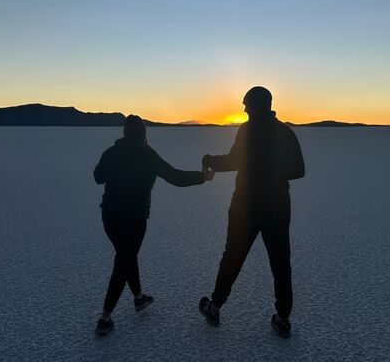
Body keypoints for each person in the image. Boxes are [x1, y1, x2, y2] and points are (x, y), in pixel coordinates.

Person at [199, 86, 305, 338]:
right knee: (280, 262)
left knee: (233, 256)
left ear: (255, 106)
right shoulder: (285, 132)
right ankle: (283, 318)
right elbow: (298, 169)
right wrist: (276, 172)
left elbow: (234, 161)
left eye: (246, 104)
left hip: (246, 207)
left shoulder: (247, 130)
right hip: (278, 207)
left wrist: (210, 159)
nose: (244, 109)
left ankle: (214, 307)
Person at [93, 114, 213, 335]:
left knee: (126, 255)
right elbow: (175, 177)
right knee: (124, 260)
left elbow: (98, 177)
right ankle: (105, 318)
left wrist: (109, 163)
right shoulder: (147, 154)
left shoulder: (112, 152)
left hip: (109, 216)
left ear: (124, 132)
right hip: (135, 217)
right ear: (143, 133)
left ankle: (139, 298)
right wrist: (202, 177)